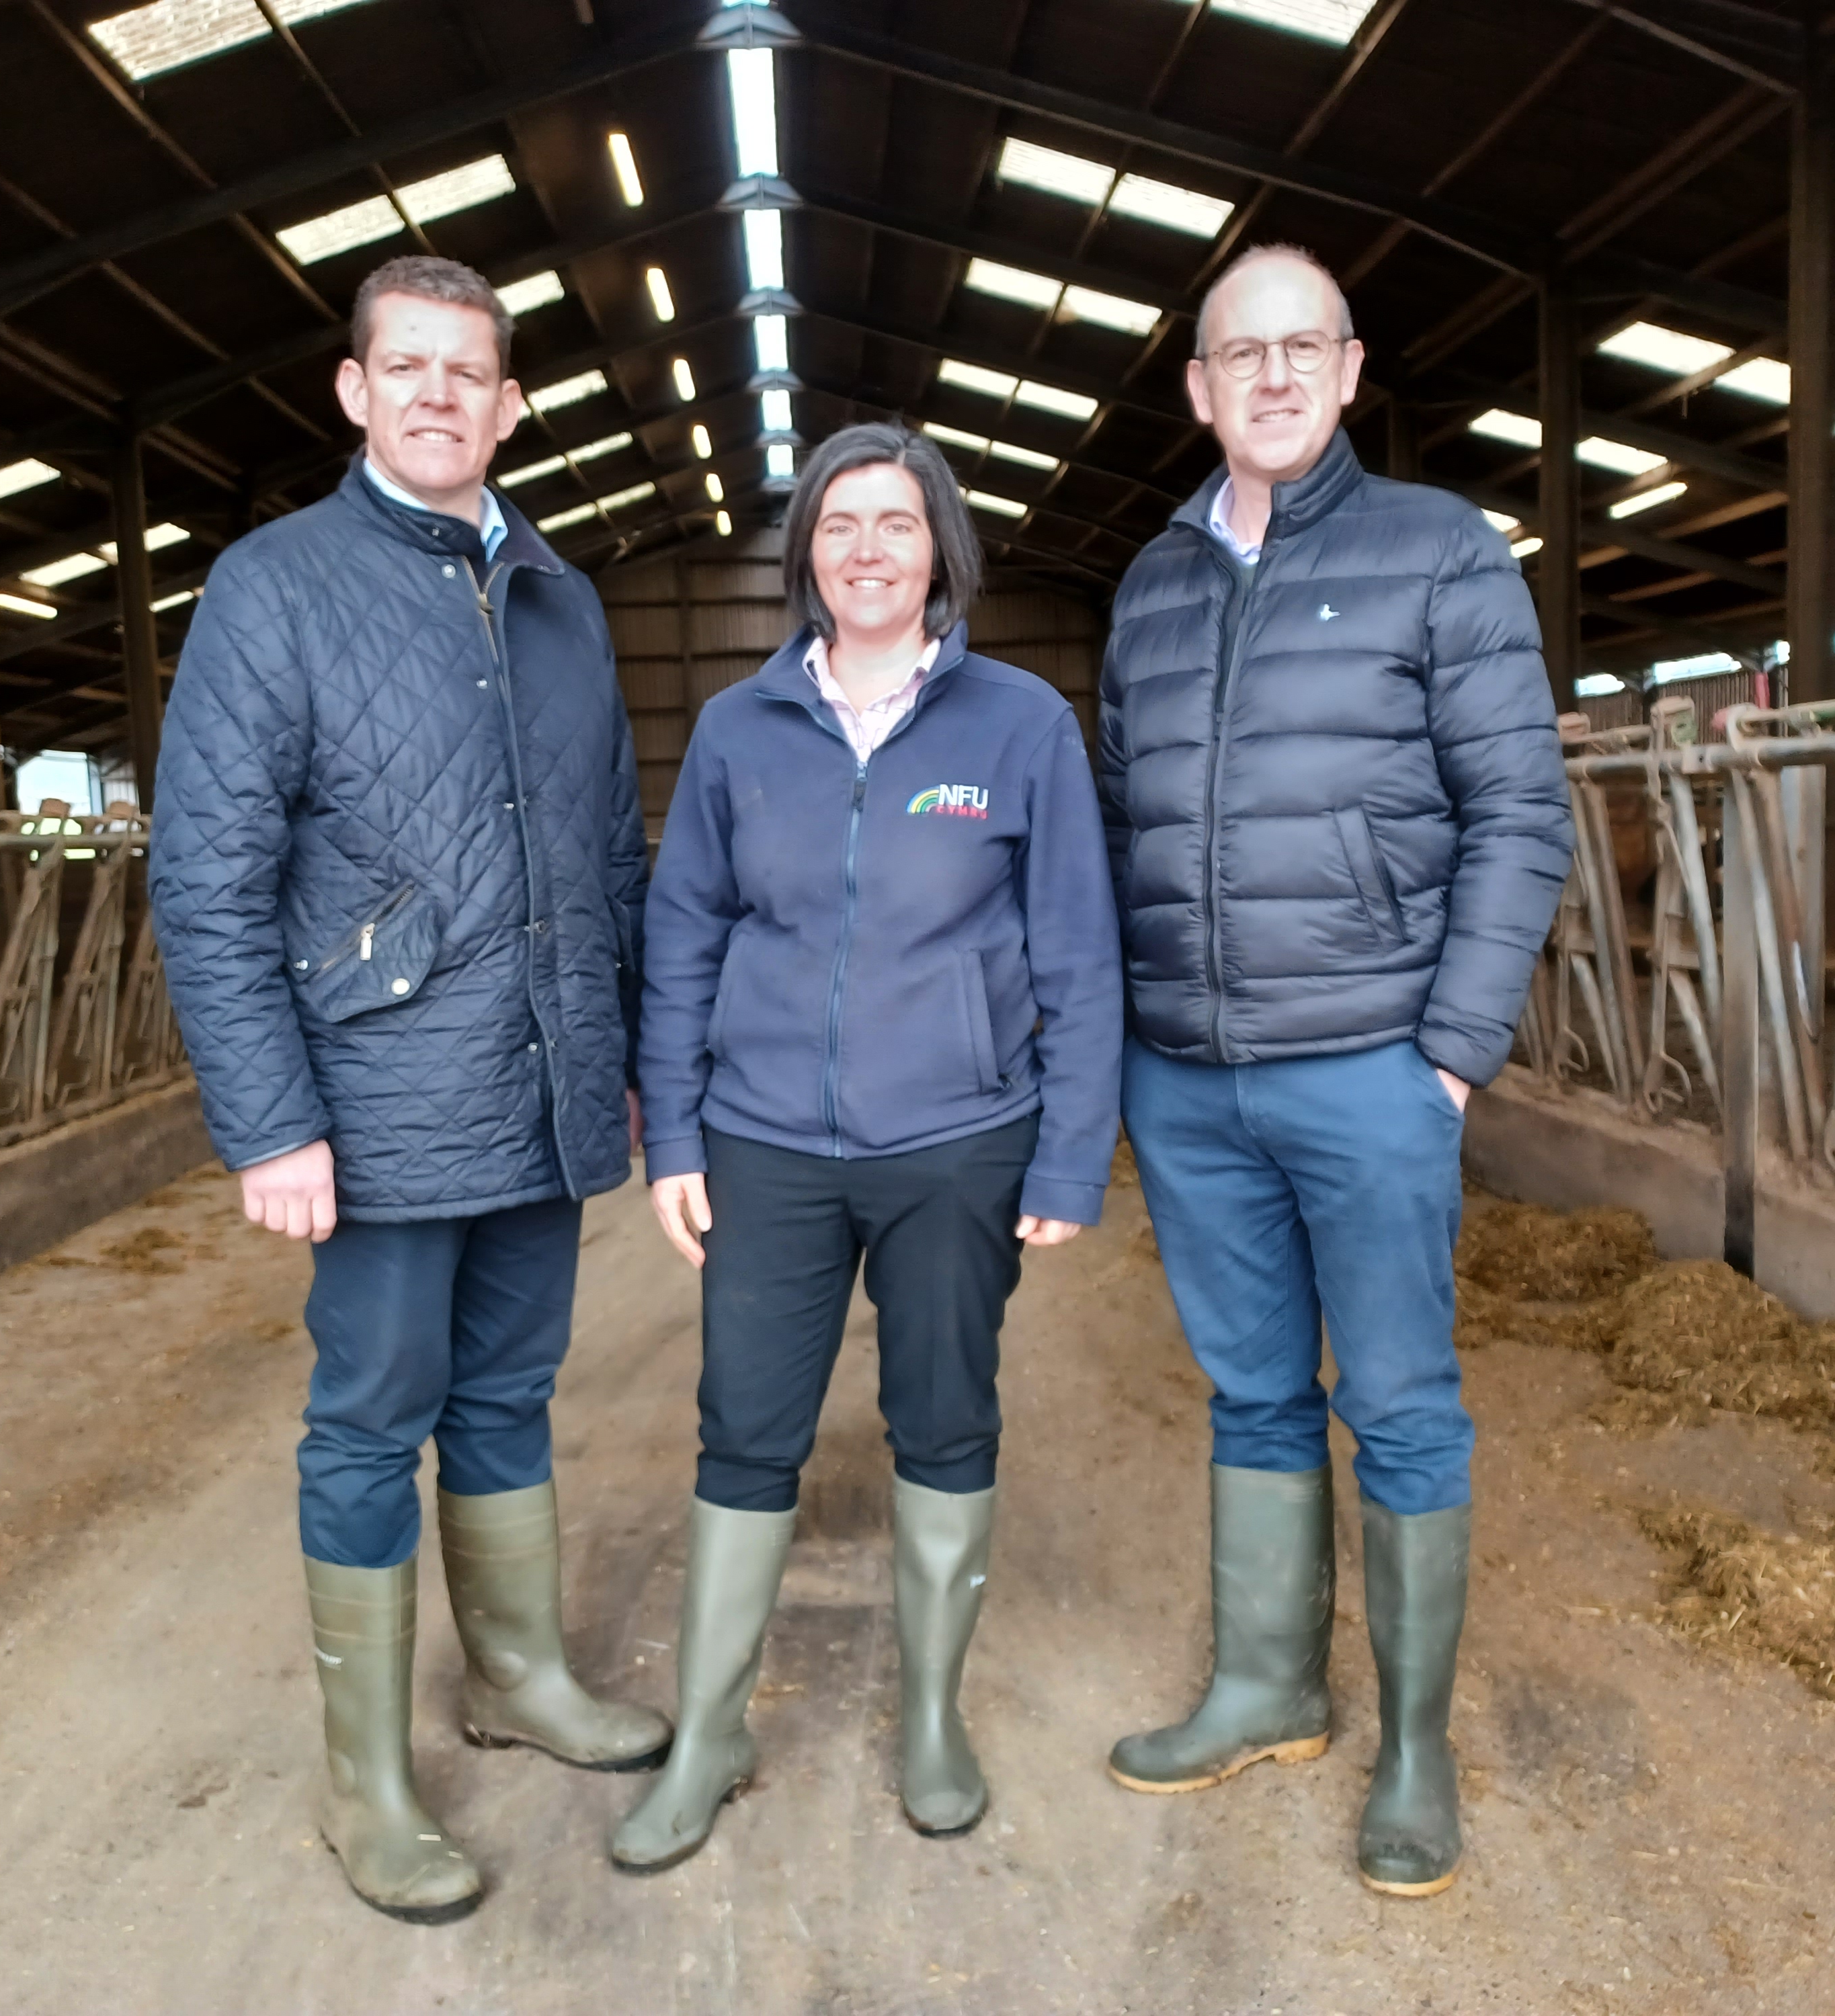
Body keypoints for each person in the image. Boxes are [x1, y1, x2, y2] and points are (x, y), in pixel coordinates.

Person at [149, 255, 669, 1925]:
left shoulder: (562, 599)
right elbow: (206, 874)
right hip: (373, 1095)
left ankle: (514, 1676)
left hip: (537, 1085)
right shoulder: (273, 585)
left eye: (473, 371)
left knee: (509, 1395)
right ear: (355, 392)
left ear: (511, 408)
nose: (442, 392)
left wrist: (635, 1066)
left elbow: (606, 853)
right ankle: (364, 1779)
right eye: (409, 366)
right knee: (370, 1418)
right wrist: (270, 1117)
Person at [1095, 245, 1572, 1898]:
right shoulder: (1149, 583)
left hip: (1368, 1063)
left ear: (1351, 370)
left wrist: (1446, 1056)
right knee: (1247, 1390)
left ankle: (1415, 1747)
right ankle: (1265, 1687)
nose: (1275, 376)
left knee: (1400, 1404)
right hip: (1187, 1076)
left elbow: (1521, 815)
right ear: (1198, 386)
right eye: (1243, 352)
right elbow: (1116, 826)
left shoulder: (1438, 554)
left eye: (1304, 348)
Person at [612, 421, 1122, 1872]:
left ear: (939, 550)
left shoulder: (1018, 725)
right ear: (806, 557)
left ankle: (932, 1716)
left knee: (946, 1417)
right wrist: (673, 1133)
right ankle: (710, 1732)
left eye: (895, 524)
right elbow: (683, 935)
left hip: (960, 1140)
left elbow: (1078, 951)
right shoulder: (735, 729)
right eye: (839, 526)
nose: (866, 549)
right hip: (766, 1140)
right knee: (744, 1429)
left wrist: (1071, 1152)